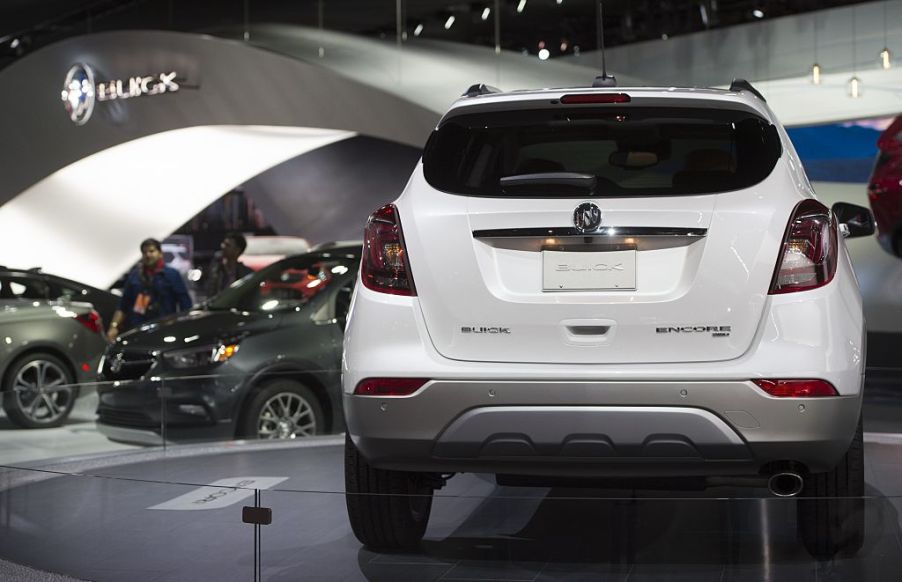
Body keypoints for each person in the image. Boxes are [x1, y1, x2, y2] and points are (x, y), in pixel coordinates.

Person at [107, 238, 192, 340]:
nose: (148, 255)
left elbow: (185, 305)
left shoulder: (172, 275)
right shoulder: (135, 276)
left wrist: (182, 328)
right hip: (138, 330)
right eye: (144, 252)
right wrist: (114, 326)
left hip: (164, 330)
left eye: (151, 251)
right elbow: (123, 305)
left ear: (160, 253)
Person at [203, 232, 254, 298]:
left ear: (237, 250)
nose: (223, 246)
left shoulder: (246, 274)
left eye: (228, 245)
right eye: (223, 243)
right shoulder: (215, 270)